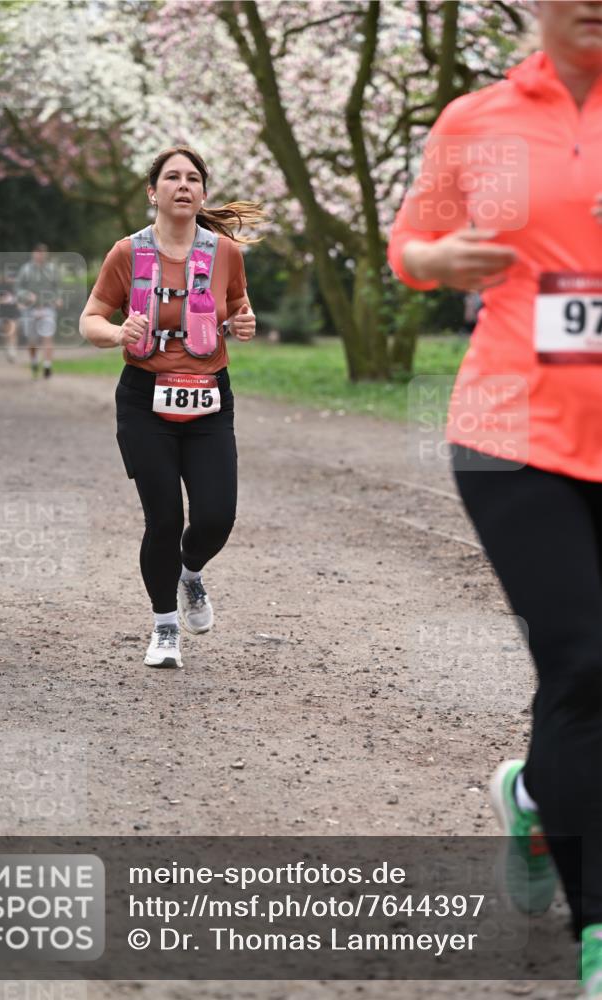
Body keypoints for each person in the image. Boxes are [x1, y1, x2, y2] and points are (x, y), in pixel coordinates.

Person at [388, 2, 601, 995]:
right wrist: (436, 261)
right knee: (585, 659)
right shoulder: (476, 121)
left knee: (582, 679)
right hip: (513, 433)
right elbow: (410, 248)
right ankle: (596, 926)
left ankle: (530, 793)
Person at [80, 146, 263, 669]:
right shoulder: (127, 253)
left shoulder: (226, 253)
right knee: (163, 519)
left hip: (209, 398)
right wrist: (118, 331)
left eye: (192, 178)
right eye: (171, 178)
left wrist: (243, 325)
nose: (182, 186)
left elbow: (237, 312)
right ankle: (164, 628)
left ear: (203, 192)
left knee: (215, 517)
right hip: (144, 399)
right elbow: (90, 318)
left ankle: (190, 572)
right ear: (152, 192)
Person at [17, 243, 61, 377]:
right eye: (37, 253)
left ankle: (47, 365)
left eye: (42, 253)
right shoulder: (25, 270)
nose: (40, 256)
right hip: (30, 309)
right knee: (32, 340)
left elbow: (58, 286)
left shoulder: (52, 269)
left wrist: (58, 298)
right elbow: (18, 289)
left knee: (47, 336)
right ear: (33, 254)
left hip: (47, 308)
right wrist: (26, 295)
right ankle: (34, 361)